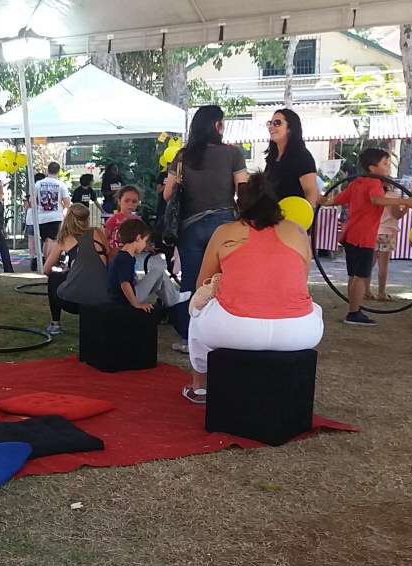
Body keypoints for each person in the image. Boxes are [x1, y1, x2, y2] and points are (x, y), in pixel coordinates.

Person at [184, 173, 324, 404]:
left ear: (239, 206)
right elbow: (301, 282)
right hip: (299, 333)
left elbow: (202, 285)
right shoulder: (298, 231)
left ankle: (199, 386)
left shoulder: (224, 232)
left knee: (197, 310)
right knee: (313, 307)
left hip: (234, 329)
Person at [163, 105, 248, 353]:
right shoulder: (233, 154)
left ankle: (189, 339)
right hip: (224, 225)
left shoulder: (182, 156)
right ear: (217, 125)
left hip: (190, 226)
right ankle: (224, 336)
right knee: (225, 280)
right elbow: (243, 191)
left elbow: (169, 194)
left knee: (192, 281)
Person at [320, 149, 412, 326]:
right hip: (364, 236)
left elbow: (331, 201)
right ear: (372, 167)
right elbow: (376, 200)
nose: (388, 167)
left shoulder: (357, 183)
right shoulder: (374, 182)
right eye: (385, 164)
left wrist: (317, 198)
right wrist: (404, 201)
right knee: (360, 276)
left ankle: (353, 309)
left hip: (351, 235)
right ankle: (354, 313)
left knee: (354, 275)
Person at [42, 204, 112, 336]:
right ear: (88, 218)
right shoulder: (98, 232)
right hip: (103, 298)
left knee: (54, 277)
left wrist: (65, 272)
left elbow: (46, 269)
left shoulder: (63, 240)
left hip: (73, 303)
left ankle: (55, 323)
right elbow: (108, 256)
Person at [106, 219, 189, 313]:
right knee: (158, 273)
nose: (145, 245)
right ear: (138, 238)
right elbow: (124, 284)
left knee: (157, 278)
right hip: (126, 299)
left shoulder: (122, 256)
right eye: (145, 241)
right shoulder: (125, 258)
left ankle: (171, 298)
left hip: (122, 297)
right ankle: (174, 298)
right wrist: (135, 304)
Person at [264, 108, 320, 205]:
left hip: (293, 216)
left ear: (290, 128)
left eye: (277, 123)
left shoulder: (302, 156)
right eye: (270, 123)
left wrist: (303, 217)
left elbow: (311, 193)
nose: (271, 127)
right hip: (271, 216)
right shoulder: (272, 157)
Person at [368, 184, 409, 301]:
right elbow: (397, 215)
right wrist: (406, 206)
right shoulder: (393, 197)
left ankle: (366, 290)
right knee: (383, 264)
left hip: (373, 231)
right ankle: (381, 293)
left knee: (369, 263)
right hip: (388, 232)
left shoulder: (373, 196)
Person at [33, 162, 70, 260]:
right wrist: (65, 215)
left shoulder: (38, 184)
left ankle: (46, 261)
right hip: (56, 216)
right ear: (58, 171)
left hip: (42, 217)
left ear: (47, 170)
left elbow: (32, 200)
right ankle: (49, 262)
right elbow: (66, 202)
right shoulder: (61, 184)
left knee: (45, 241)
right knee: (53, 241)